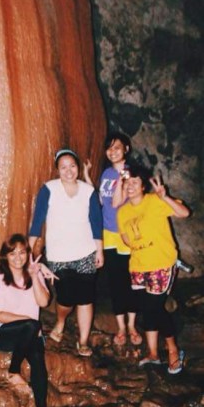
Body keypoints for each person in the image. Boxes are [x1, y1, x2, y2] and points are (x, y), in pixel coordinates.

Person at [29, 148, 104, 357]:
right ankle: (61, 320)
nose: (68, 170)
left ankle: (83, 340)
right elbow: (37, 221)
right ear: (57, 169)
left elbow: (96, 223)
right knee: (66, 298)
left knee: (86, 298)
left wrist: (99, 251)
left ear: (77, 167)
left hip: (86, 251)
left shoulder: (88, 191)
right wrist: (29, 249)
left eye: (72, 166)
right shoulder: (49, 189)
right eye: (63, 167)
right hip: (59, 254)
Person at [117, 166, 190, 374]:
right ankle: (153, 353)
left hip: (161, 263)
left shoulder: (155, 201)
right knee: (147, 307)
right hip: (138, 266)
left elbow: (184, 213)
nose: (130, 186)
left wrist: (165, 197)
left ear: (143, 186)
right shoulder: (122, 212)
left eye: (134, 182)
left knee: (155, 307)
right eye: (127, 182)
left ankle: (173, 349)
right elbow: (126, 239)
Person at [0, 234, 55, 407]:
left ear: (28, 254)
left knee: (37, 357)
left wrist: (34, 276)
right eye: (12, 253)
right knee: (32, 325)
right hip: (2, 332)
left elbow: (44, 302)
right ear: (5, 256)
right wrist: (30, 322)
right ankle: (14, 370)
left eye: (22, 252)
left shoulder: (34, 273)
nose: (18, 257)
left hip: (29, 333)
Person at [84, 132, 142, 346]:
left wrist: (123, 178)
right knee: (115, 280)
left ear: (126, 149)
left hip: (128, 232)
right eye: (109, 148)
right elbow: (101, 200)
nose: (112, 151)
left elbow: (118, 202)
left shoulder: (132, 173)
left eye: (117, 147)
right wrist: (87, 175)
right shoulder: (107, 173)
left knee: (131, 279)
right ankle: (121, 327)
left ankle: (132, 325)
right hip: (108, 232)